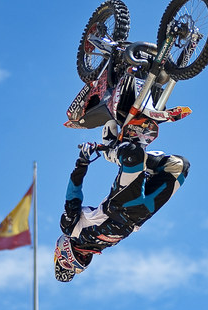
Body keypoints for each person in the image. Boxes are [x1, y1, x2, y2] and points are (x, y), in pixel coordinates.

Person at [54, 119, 190, 282]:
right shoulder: (104, 246)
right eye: (83, 262)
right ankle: (137, 160)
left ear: (62, 255)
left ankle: (113, 151)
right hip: (142, 214)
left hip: (121, 205)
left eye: (72, 264)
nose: (83, 259)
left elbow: (73, 195)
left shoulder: (71, 229)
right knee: (180, 166)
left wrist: (82, 163)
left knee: (133, 154)